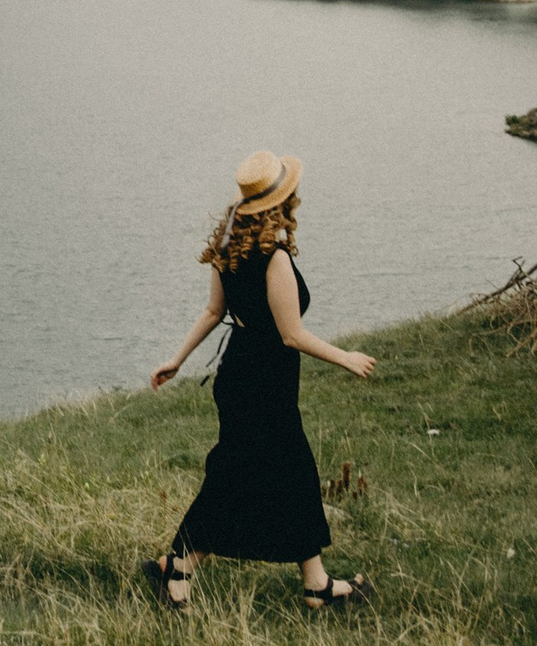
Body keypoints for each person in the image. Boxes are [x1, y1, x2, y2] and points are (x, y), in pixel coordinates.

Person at [143, 150, 375, 614]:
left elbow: (214, 310)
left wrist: (177, 359)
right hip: (266, 378)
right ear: (282, 203)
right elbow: (292, 335)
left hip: (239, 373)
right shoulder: (275, 258)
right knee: (245, 474)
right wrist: (345, 357)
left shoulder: (229, 245)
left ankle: (316, 583)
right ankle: (179, 567)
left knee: (284, 473)